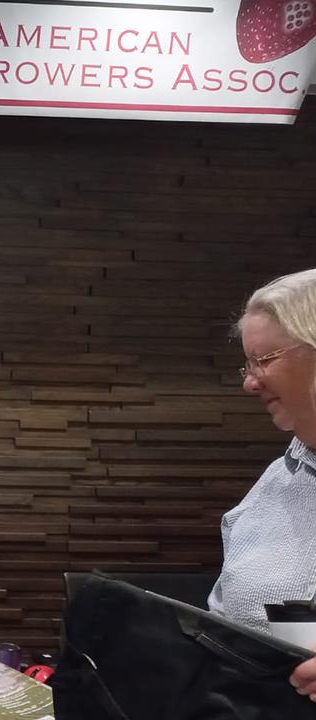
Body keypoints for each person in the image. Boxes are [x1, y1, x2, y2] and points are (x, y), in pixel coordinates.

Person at [207, 268, 316, 702]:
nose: (249, 382)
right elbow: (266, 610)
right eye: (247, 364)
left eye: (264, 360)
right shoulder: (279, 479)